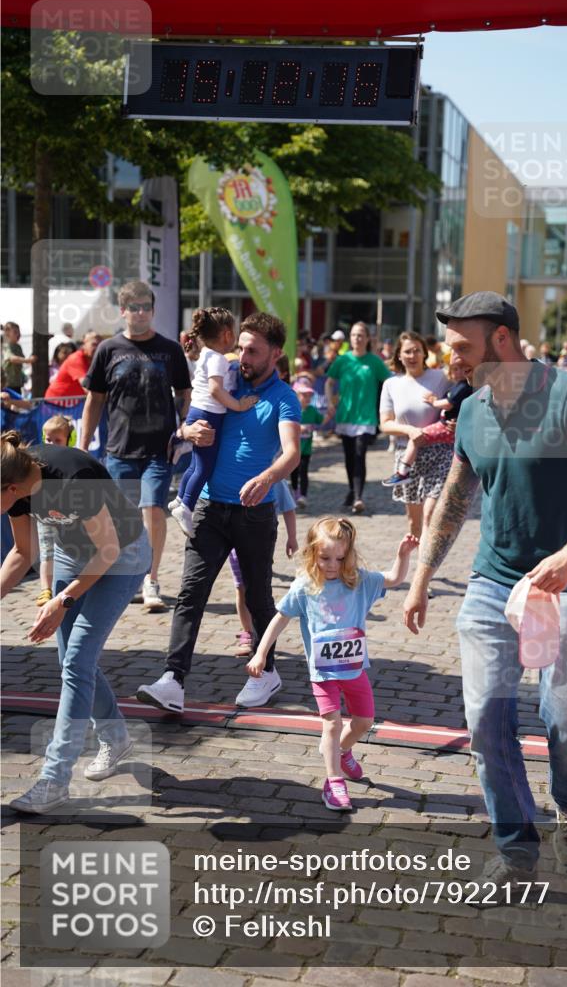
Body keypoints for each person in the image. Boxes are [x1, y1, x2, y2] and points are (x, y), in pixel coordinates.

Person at [403, 290, 567, 886]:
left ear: (501, 341)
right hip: (490, 585)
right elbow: (455, 498)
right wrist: (422, 578)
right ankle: (516, 851)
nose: (449, 358)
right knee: (484, 719)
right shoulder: (474, 409)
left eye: (461, 347)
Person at [136, 312, 301, 711]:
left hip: (254, 513)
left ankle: (268, 673)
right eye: (241, 346)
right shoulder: (224, 374)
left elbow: (292, 453)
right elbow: (191, 417)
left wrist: (268, 477)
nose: (243, 356)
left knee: (259, 596)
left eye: (253, 350)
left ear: (275, 354)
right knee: (191, 592)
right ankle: (172, 679)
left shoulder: (284, 398)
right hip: (209, 508)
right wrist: (184, 432)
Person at [1, 430, 150, 813]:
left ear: (11, 487)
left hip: (120, 558)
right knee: (73, 663)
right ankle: (116, 737)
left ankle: (54, 779)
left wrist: (63, 601)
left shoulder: (72, 479)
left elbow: (108, 549)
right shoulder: (17, 488)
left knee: (78, 662)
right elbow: (22, 552)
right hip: (72, 554)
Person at [247, 516, 418, 810]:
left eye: (340, 557)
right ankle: (333, 782)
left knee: (364, 722)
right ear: (312, 553)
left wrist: (402, 555)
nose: (332, 565)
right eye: (325, 557)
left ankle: (340, 751)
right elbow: (280, 619)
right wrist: (261, 652)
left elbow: (394, 579)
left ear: (349, 554)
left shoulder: (360, 582)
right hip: (323, 673)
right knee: (332, 723)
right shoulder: (304, 587)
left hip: (354, 670)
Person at [80, 280, 191, 611]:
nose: (141, 313)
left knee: (154, 511)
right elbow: (93, 401)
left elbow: (184, 394)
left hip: (160, 449)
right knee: (120, 520)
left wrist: (186, 428)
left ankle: (151, 580)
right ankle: (124, 577)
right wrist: (83, 446)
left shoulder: (170, 350)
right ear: (123, 311)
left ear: (153, 311)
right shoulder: (108, 350)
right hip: (118, 449)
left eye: (146, 307)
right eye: (134, 308)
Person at [169, 308, 258, 538]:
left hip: (198, 411)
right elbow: (215, 389)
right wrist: (238, 405)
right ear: (227, 334)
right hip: (209, 414)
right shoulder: (217, 358)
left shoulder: (206, 353)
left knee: (195, 464)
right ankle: (186, 506)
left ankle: (180, 499)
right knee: (204, 467)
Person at [378, 332, 453, 539]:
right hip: (407, 456)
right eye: (407, 352)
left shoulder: (442, 378)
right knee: (414, 522)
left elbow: (461, 399)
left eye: (417, 351)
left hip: (439, 453)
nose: (412, 355)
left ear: (424, 353)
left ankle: (426, 565)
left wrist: (456, 420)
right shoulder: (391, 385)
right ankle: (420, 560)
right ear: (399, 356)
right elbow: (385, 424)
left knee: (431, 514)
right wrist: (410, 431)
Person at [325, 321, 390, 513]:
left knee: (360, 455)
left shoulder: (374, 361)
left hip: (366, 416)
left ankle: (358, 497)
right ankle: (352, 490)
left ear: (367, 338)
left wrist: (388, 407)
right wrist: (330, 403)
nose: (357, 338)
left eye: (361, 335)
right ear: (350, 338)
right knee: (348, 457)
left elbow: (389, 383)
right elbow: (329, 382)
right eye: (354, 335)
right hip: (345, 415)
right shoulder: (343, 360)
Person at [230, 478, 299, 656]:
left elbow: (288, 508)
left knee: (259, 589)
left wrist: (292, 538)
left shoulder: (275, 479)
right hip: (233, 539)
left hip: (261, 540)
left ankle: (264, 637)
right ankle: (248, 633)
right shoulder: (233, 471)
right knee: (240, 587)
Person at [382, 357, 472, 487]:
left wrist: (433, 402)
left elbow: (448, 404)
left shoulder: (462, 385)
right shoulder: (458, 384)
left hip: (446, 426)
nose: (458, 372)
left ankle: (402, 473)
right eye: (455, 369)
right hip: (447, 426)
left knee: (416, 438)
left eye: (462, 369)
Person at [35, 415, 77, 607]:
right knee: (47, 551)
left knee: (70, 550)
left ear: (70, 440)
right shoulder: (39, 461)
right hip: (44, 513)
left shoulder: (75, 462)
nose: (51, 444)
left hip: (69, 516)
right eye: (48, 439)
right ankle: (45, 589)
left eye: (57, 440)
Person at [291, 378, 324, 508]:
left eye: (309, 395)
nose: (307, 398)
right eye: (304, 395)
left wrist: (330, 415)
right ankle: (295, 493)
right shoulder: (292, 409)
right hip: (292, 449)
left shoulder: (312, 410)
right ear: (297, 395)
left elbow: (321, 421)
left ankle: (303, 496)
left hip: (306, 449)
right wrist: (299, 428)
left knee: (304, 472)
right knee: (294, 473)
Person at [45, 331, 101, 401]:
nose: (97, 348)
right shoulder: (76, 359)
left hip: (73, 404)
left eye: (100, 345)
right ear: (84, 345)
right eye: (94, 344)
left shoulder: (95, 360)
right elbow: (86, 387)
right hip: (56, 404)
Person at [2, 322, 36, 393]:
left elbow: (23, 359)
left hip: (17, 383)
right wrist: (28, 360)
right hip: (7, 384)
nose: (18, 334)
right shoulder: (6, 346)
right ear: (7, 334)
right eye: (15, 332)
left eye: (18, 331)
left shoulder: (18, 347)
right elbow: (12, 359)